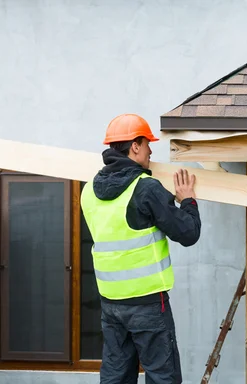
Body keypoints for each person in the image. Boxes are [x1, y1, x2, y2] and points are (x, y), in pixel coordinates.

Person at [80, 113, 201, 384]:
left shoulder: (88, 191)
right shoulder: (146, 189)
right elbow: (188, 233)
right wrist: (188, 201)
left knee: (116, 377)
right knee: (162, 378)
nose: (150, 151)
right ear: (134, 145)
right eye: (147, 144)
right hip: (148, 304)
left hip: (111, 305)